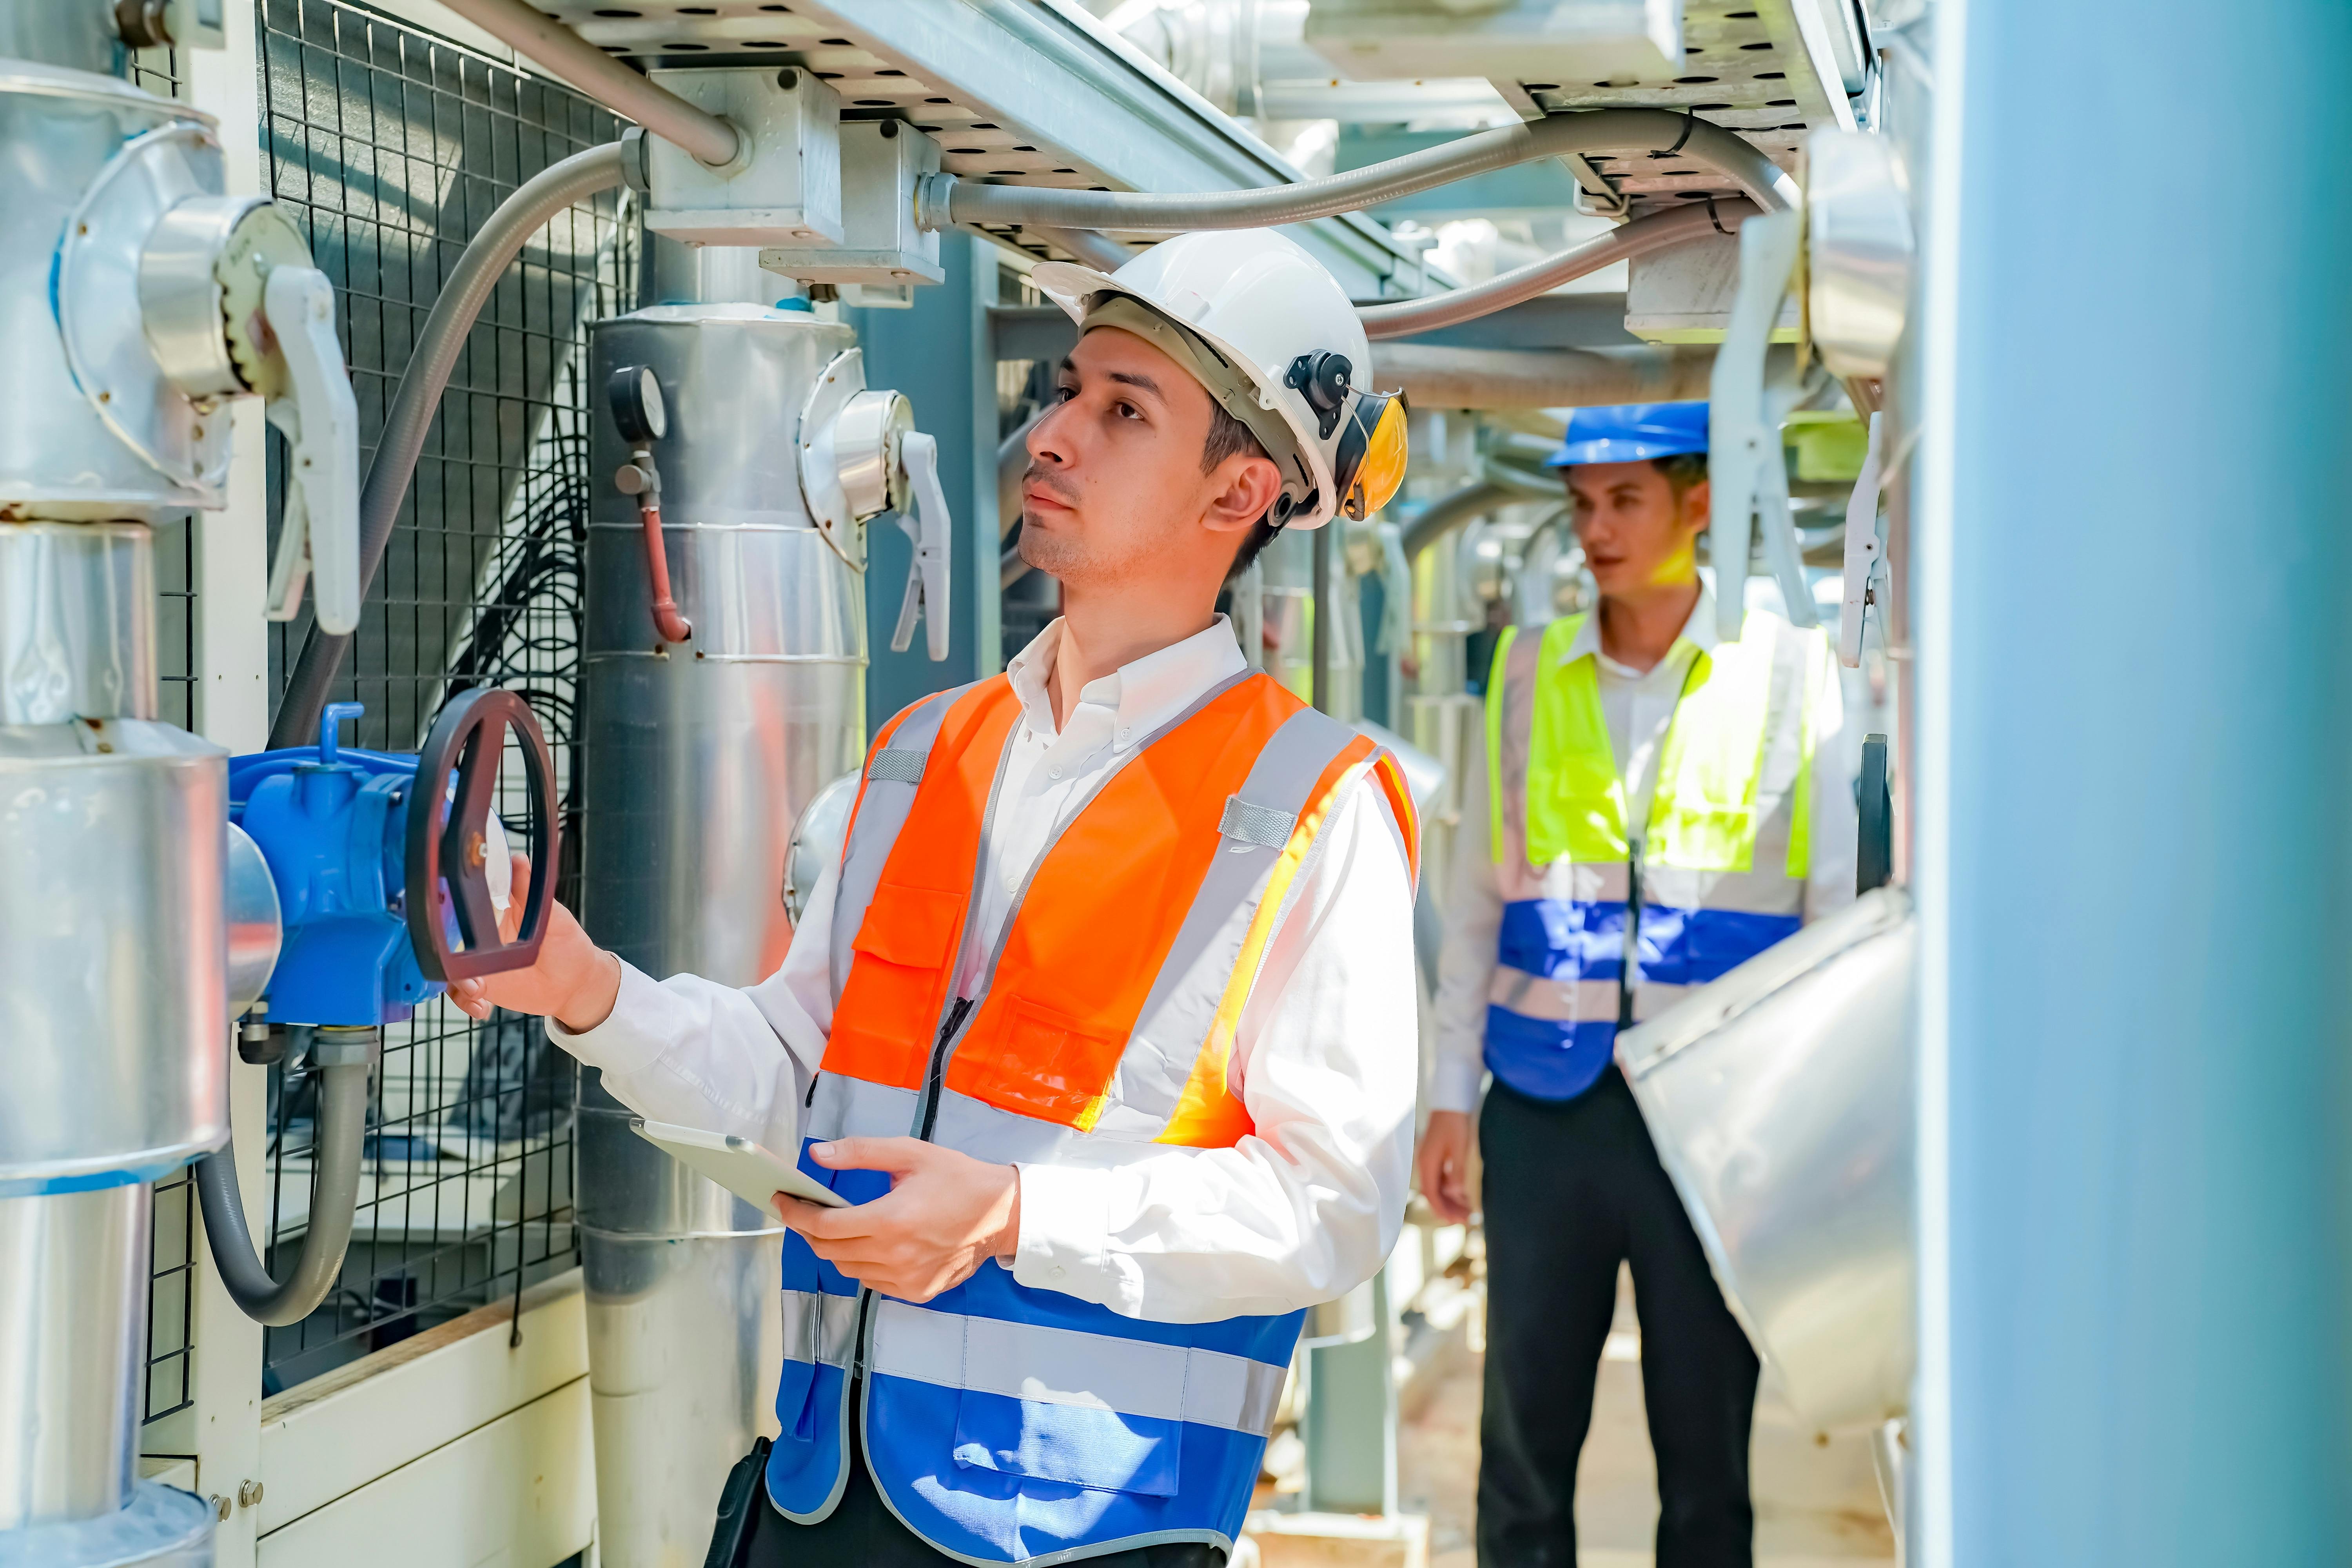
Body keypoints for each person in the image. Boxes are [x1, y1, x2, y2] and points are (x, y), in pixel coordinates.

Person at [450, 229, 1421, 1568]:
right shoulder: (927, 753)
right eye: (1070, 390)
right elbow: (798, 1078)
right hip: (817, 1497)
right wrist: (584, 991)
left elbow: (1335, 1205)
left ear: (1238, 491)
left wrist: (1017, 1212)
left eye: (1123, 411)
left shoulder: (1313, 810)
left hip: (1081, 1533)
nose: (1056, 435)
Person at [1416, 401, 1857, 1568]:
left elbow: (1832, 925)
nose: (1597, 530)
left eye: (1625, 501)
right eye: (1582, 505)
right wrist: (1449, 1095)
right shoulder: (1527, 670)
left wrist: (1806, 1129)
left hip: (1715, 1127)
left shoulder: (1791, 678)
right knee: (1521, 1457)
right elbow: (1475, 896)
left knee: (1708, 1463)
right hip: (1545, 1109)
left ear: (1696, 504)